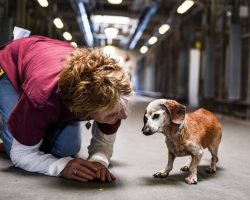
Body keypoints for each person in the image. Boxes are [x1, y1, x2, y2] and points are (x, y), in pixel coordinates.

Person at [0, 35, 133, 182]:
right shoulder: (40, 98)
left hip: (52, 59)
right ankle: (19, 123)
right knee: (15, 145)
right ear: (86, 110)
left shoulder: (114, 97)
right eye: (112, 114)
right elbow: (21, 155)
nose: (125, 115)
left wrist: (99, 161)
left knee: (66, 150)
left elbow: (103, 143)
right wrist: (60, 166)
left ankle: (35, 127)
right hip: (12, 63)